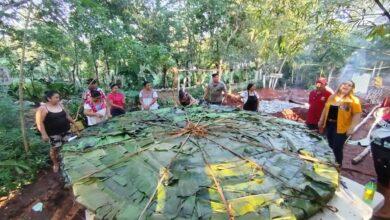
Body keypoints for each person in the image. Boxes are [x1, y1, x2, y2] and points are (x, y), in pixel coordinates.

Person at [318, 80, 362, 166]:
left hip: (341, 128)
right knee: (329, 145)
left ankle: (338, 165)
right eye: (344, 83)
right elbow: (325, 109)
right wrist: (321, 120)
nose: (346, 86)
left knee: (337, 148)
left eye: (349, 85)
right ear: (340, 85)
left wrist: (351, 128)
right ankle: (329, 163)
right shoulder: (332, 97)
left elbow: (357, 114)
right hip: (329, 125)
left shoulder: (354, 100)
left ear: (352, 89)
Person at [36, 91, 74, 173]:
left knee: (69, 146)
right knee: (55, 148)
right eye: (56, 97)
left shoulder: (60, 105)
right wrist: (44, 134)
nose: (58, 99)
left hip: (66, 130)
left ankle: (68, 161)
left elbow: (67, 116)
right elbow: (40, 122)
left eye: (58, 97)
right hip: (53, 133)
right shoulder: (42, 108)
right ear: (49, 99)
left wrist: (74, 123)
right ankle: (56, 164)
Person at [371, 97, 390, 218]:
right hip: (378, 147)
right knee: (382, 177)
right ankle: (380, 202)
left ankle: (387, 209)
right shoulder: (386, 106)